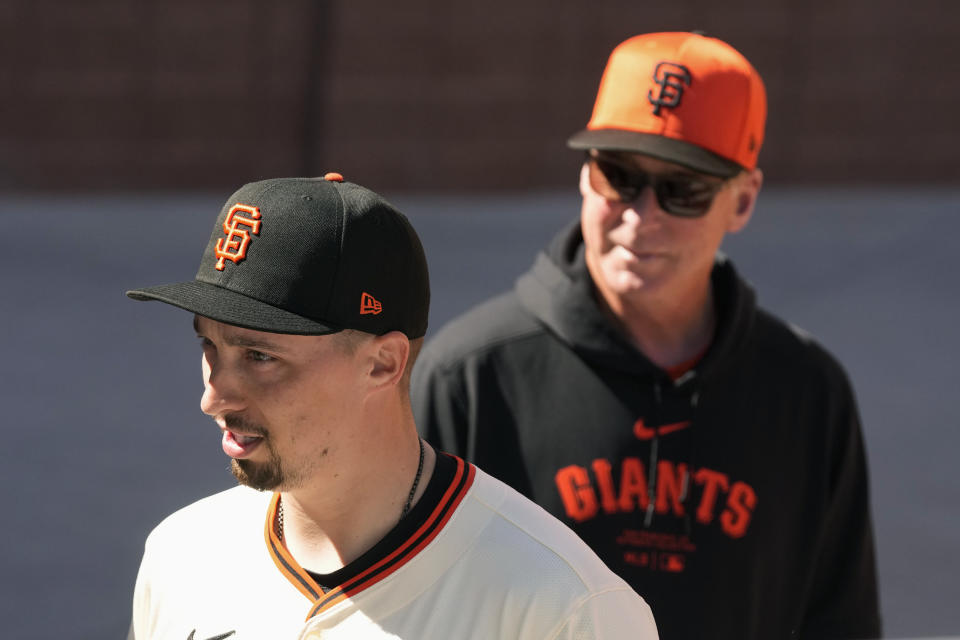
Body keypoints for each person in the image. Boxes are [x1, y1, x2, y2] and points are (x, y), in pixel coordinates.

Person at [412, 32, 881, 639]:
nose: (641, 216)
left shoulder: (807, 393)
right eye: (619, 175)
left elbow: (840, 623)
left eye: (683, 190)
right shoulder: (470, 378)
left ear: (742, 201)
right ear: (586, 175)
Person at [125, 174, 659, 640]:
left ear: (383, 364)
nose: (213, 396)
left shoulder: (563, 607)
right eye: (209, 347)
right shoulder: (180, 556)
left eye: (261, 356)